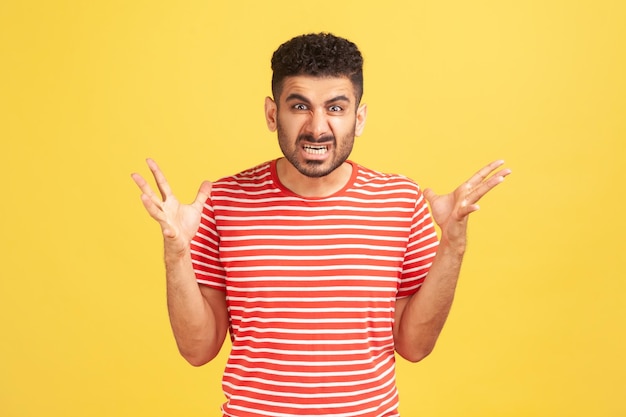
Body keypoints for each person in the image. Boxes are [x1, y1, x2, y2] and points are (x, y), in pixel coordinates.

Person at [132, 32, 511, 417]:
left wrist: (453, 245)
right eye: (300, 106)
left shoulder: (400, 201)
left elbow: (415, 346)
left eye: (336, 108)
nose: (317, 128)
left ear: (358, 118)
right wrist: (177, 255)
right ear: (271, 113)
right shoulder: (223, 202)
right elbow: (197, 350)